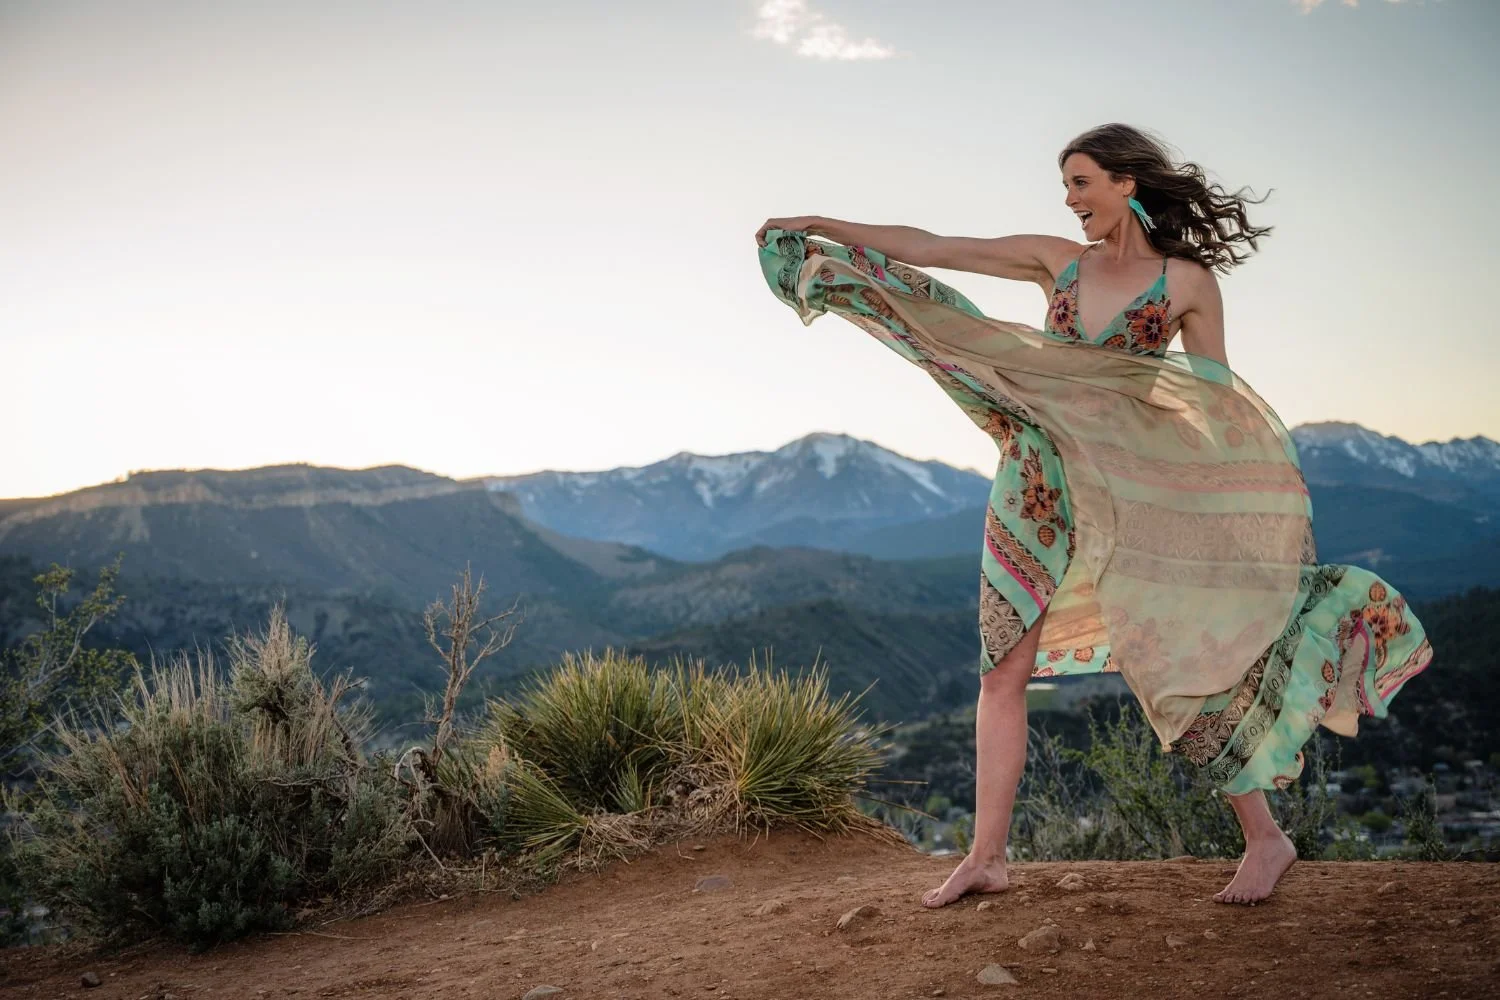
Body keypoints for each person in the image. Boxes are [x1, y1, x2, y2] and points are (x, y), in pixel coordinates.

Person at [754, 123, 1432, 908]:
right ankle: (985, 856)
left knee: (1172, 665)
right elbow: (934, 245)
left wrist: (1218, 511)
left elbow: (1215, 402)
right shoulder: (1057, 262)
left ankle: (1266, 837)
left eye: (1081, 183)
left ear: (1126, 184)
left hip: (1129, 497)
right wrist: (822, 225)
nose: (1071, 201)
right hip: (1034, 488)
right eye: (1067, 188)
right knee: (1003, 667)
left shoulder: (1186, 284)